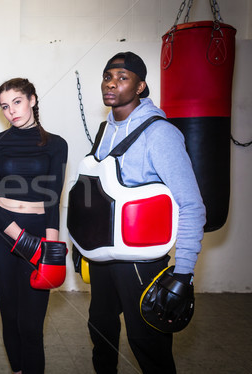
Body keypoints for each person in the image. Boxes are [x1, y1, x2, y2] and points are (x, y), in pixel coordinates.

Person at [67, 51, 205, 373]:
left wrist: (183, 274)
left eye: (122, 77)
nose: (111, 83)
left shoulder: (160, 134)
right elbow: (95, 193)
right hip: (103, 260)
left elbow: (192, 206)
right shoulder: (103, 131)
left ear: (140, 86)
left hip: (142, 263)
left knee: (149, 347)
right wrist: (82, 245)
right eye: (107, 76)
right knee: (101, 334)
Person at [0, 78, 68, 373]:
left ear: (32, 99)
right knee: (10, 315)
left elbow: (53, 198)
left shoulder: (56, 144)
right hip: (0, 236)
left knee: (32, 324)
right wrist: (20, 238)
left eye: (17, 102)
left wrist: (51, 247)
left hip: (39, 236)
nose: (11, 111)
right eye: (5, 106)